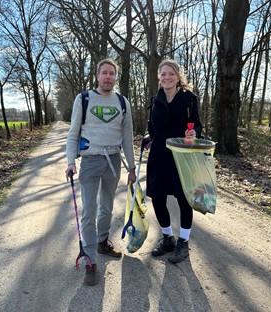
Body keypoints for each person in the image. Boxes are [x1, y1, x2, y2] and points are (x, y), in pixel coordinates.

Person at [65, 58, 136, 286]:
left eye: (111, 74)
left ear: (115, 77)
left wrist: (132, 167)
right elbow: (73, 133)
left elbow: (127, 137)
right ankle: (90, 260)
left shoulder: (123, 102)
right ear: (97, 75)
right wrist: (70, 162)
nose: (108, 77)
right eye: (104, 73)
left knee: (107, 206)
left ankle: (102, 241)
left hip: (114, 160)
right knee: (89, 211)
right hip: (90, 160)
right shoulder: (83, 99)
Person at [145, 59, 203, 264]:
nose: (167, 77)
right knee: (158, 198)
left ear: (178, 77)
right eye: (163, 74)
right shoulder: (155, 100)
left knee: (183, 198)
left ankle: (183, 242)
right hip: (159, 155)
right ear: (159, 77)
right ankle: (168, 238)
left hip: (182, 156)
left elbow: (197, 125)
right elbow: (151, 128)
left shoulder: (189, 99)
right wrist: (147, 137)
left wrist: (193, 132)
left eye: (171, 74)